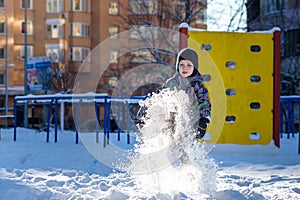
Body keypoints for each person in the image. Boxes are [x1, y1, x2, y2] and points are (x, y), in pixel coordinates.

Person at [138, 47, 211, 139]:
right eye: (182, 65)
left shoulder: (198, 86)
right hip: (171, 123)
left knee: (184, 149)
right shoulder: (171, 83)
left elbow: (204, 103)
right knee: (169, 145)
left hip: (191, 124)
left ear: (195, 67)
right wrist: (146, 112)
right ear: (177, 66)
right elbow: (158, 97)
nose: (185, 68)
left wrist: (203, 121)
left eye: (189, 65)